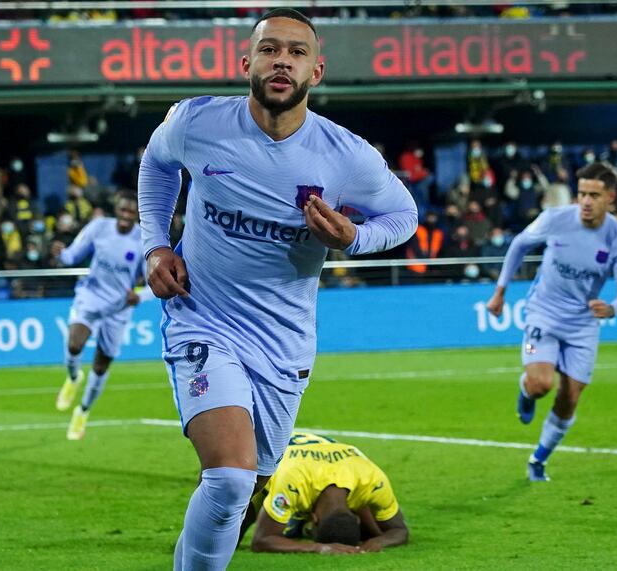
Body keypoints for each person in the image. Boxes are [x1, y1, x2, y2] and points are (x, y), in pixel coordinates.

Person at [137, 8, 417, 570]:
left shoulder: (347, 155)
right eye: (270, 50)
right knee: (230, 474)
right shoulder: (198, 123)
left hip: (283, 342)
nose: (281, 59)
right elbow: (156, 164)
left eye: (295, 51)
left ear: (317, 71)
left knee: (245, 491)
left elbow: (403, 216)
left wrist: (353, 236)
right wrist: (154, 244)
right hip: (202, 317)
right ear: (247, 64)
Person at [485, 162, 617, 482]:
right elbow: (519, 245)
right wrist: (500, 291)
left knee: (569, 398)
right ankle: (525, 392)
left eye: (594, 195)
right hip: (544, 313)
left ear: (610, 197)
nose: (585, 201)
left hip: (583, 325)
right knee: (541, 385)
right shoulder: (556, 218)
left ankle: (538, 459)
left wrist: (612, 309)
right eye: (581, 193)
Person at [53, 191, 151, 440]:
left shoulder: (143, 240)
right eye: (123, 209)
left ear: (137, 214)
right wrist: (60, 253)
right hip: (91, 296)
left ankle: (82, 412)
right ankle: (74, 377)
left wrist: (140, 296)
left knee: (101, 363)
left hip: (119, 307)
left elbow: (153, 282)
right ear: (116, 209)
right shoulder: (98, 227)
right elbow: (72, 256)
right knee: (74, 343)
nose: (126, 215)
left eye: (131, 211)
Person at [244, 431, 408, 554]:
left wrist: (377, 542)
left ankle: (298, 522)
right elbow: (260, 541)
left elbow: (400, 532)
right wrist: (320, 548)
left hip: (312, 463)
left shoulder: (372, 479)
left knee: (369, 527)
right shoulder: (293, 482)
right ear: (313, 519)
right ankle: (298, 522)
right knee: (226, 536)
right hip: (257, 455)